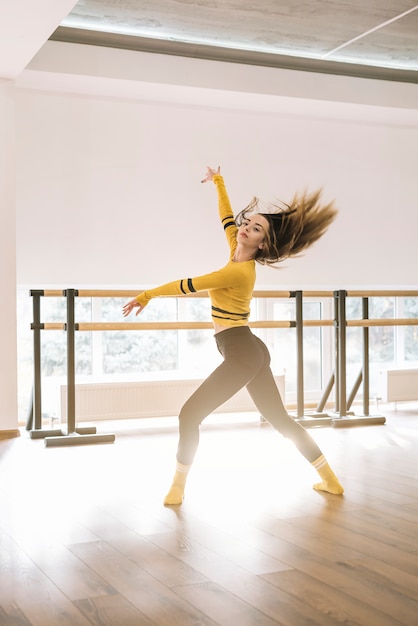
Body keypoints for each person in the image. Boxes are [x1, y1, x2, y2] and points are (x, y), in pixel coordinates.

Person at [123, 166, 344, 505]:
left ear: (263, 242)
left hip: (243, 352)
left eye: (256, 228)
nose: (245, 228)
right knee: (281, 420)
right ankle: (330, 481)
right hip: (247, 347)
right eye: (247, 223)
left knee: (189, 416)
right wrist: (219, 182)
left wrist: (146, 295)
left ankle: (177, 488)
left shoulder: (237, 271)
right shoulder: (235, 248)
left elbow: (187, 285)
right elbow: (226, 216)